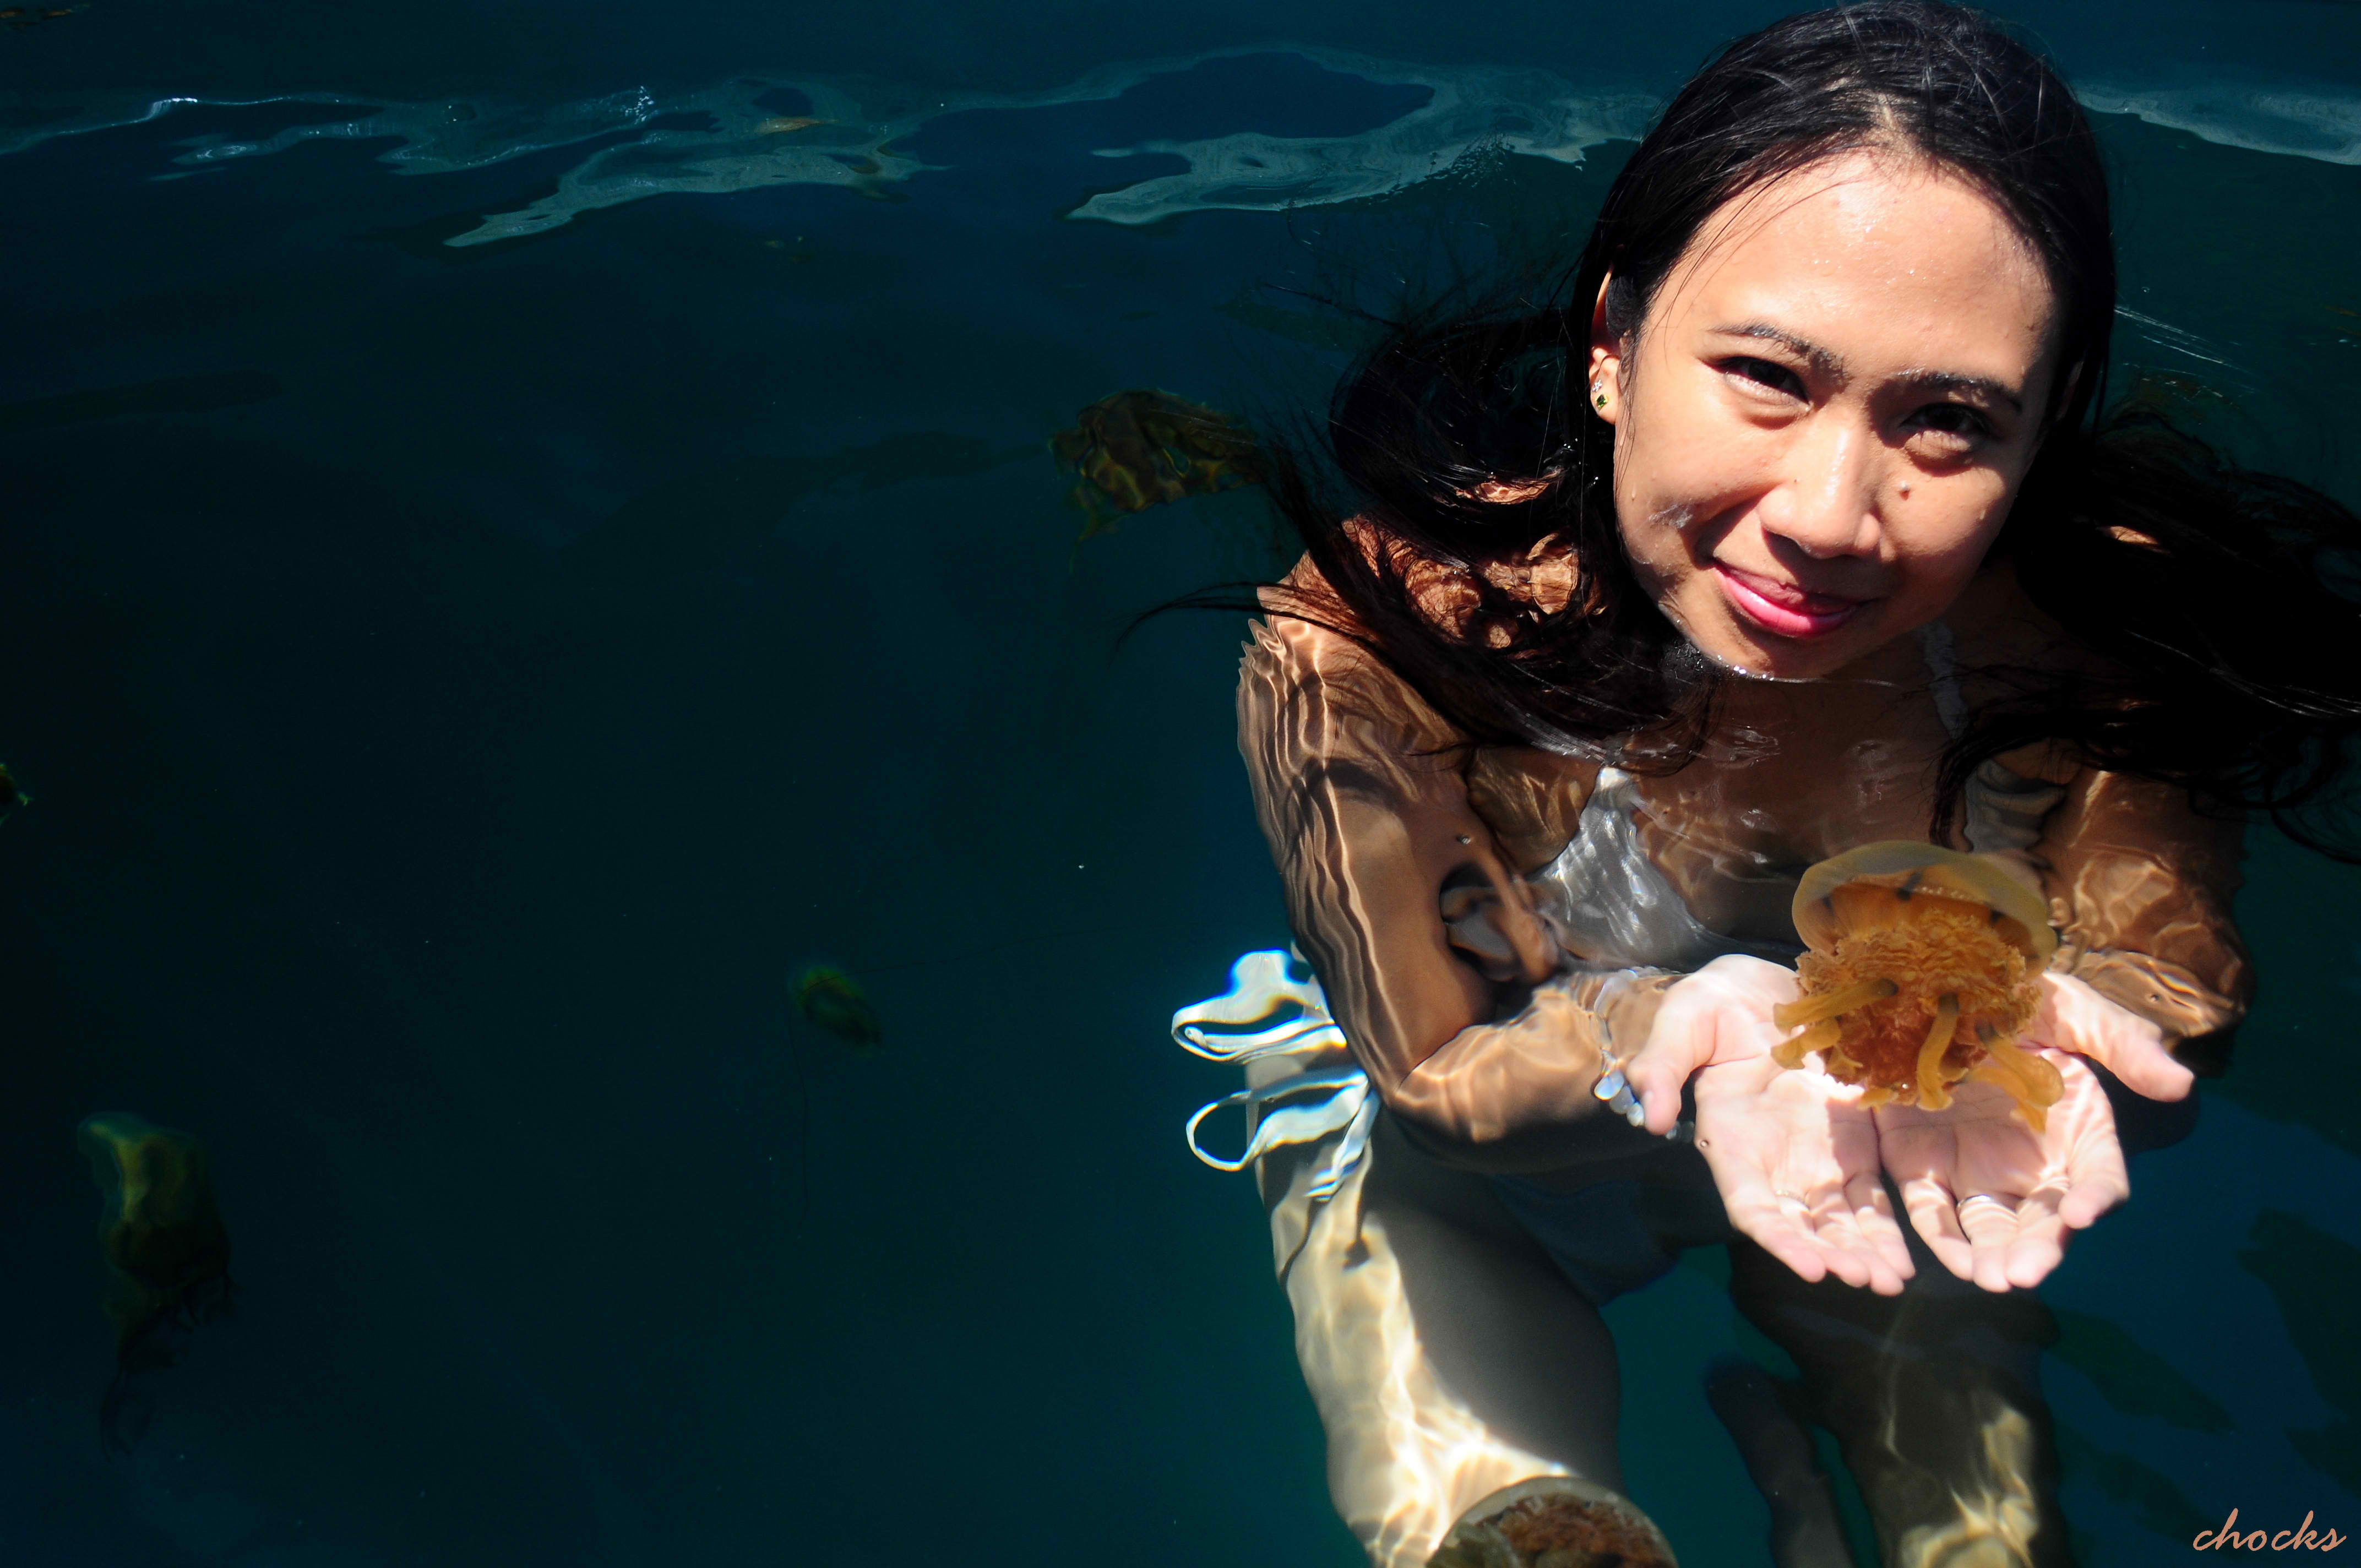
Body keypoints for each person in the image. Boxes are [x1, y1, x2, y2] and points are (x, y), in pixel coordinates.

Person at [1173, 5, 2361, 1566]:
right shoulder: (1379, 637)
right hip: (1479, 1173)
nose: (1831, 515)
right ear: (1612, 345)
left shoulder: (2099, 638)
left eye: (1949, 420)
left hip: (1902, 1140)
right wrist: (1662, 1027)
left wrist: (2068, 1022)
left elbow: (2165, 970)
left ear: (2045, 425)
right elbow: (1438, 1072)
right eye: (1766, 376)